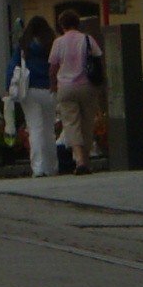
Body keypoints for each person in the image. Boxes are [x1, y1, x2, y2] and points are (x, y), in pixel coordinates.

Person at [48, 11, 103, 175]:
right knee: (87, 123)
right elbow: (98, 58)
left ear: (61, 25)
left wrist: (53, 85)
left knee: (71, 123)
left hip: (66, 87)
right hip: (87, 86)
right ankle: (85, 160)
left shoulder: (58, 42)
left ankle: (79, 160)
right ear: (77, 23)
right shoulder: (87, 39)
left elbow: (52, 67)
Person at [9, 18, 59, 176]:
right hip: (49, 90)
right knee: (49, 130)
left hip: (29, 90)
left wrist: (8, 88)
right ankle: (52, 166)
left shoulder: (24, 46)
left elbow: (13, 66)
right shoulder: (51, 44)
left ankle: (38, 168)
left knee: (35, 128)